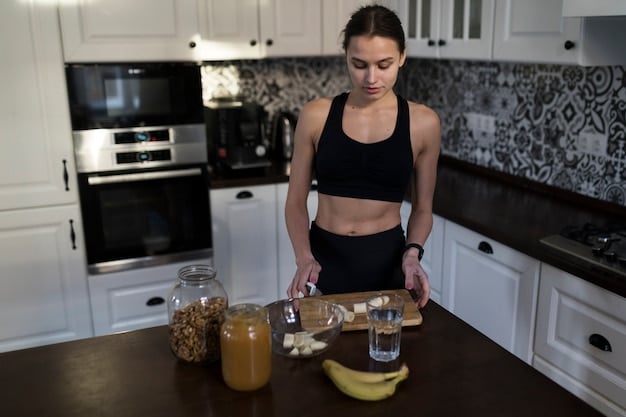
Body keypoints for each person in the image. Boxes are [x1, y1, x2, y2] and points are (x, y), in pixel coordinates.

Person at [284, 4, 440, 309]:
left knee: (387, 355)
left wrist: (413, 254)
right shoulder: (316, 115)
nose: (371, 77)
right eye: (359, 64)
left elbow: (423, 209)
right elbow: (295, 202)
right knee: (323, 354)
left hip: (388, 264)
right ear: (345, 56)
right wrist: (304, 257)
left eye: (384, 64)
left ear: (402, 57)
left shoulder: (424, 123)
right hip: (323, 264)